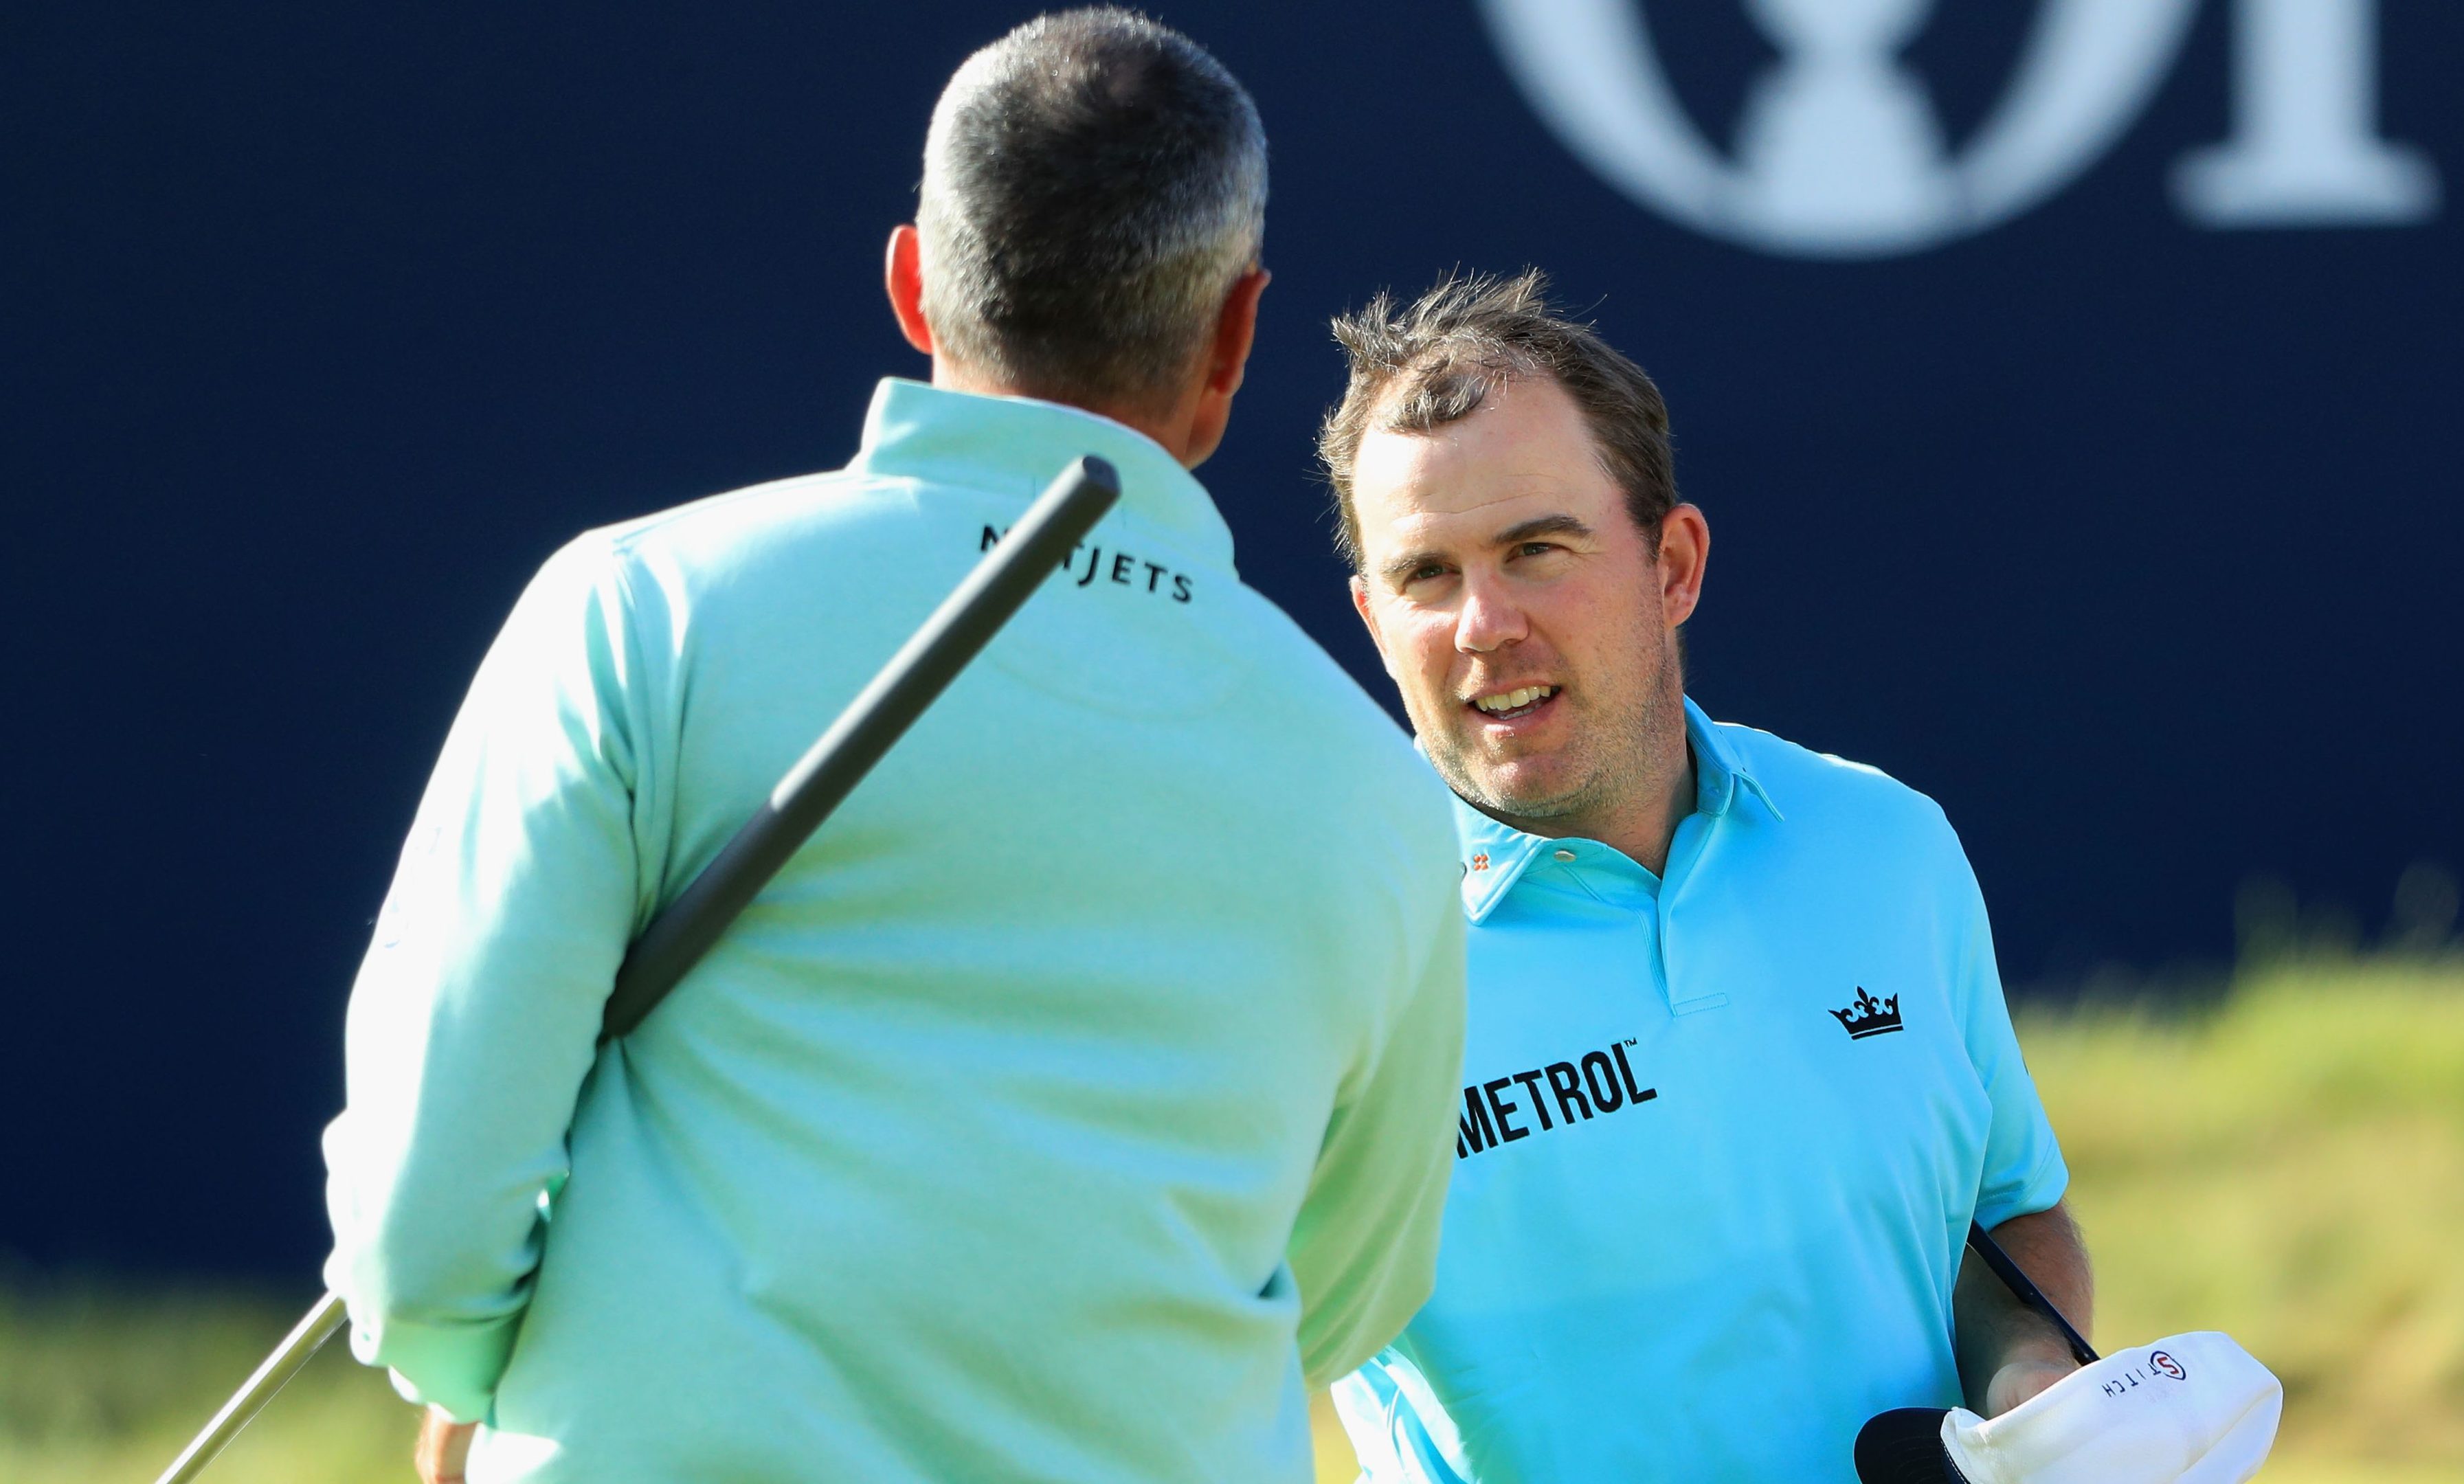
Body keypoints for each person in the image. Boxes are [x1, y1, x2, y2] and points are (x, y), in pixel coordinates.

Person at [320, 12, 1467, 1483]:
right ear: (1239, 334)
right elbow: (1340, 1293)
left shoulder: (639, 611)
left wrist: (484, 1374)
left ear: (913, 284)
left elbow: (428, 1221)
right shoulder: (1374, 782)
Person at [1314, 270, 2092, 1482]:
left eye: (1535, 549)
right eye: (1427, 575)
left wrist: (2037, 1397)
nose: (1482, 623)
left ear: (1672, 566)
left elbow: (2002, 1220)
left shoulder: (1884, 845)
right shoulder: (1315, 944)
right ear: (1371, 617)